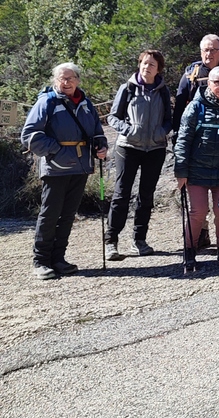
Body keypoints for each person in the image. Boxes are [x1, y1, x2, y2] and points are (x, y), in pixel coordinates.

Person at [21, 62, 108, 280]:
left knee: (68, 214)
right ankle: (41, 261)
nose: (66, 82)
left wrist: (101, 145)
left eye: (70, 78)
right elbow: (30, 135)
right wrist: (57, 150)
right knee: (50, 214)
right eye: (62, 78)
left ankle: (58, 259)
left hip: (80, 167)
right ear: (55, 80)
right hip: (56, 168)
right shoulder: (47, 102)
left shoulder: (86, 103)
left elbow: (96, 131)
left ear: (78, 80)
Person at [174, 65, 219, 271]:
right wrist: (181, 171)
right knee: (198, 212)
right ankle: (189, 250)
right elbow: (183, 140)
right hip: (196, 171)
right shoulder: (195, 107)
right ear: (209, 83)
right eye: (217, 83)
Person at [104, 49, 173, 259]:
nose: (147, 67)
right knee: (121, 194)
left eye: (152, 64)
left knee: (146, 196)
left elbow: (169, 119)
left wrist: (162, 131)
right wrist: (128, 130)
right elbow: (112, 117)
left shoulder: (163, 91)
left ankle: (139, 240)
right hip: (128, 147)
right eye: (144, 63)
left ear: (158, 69)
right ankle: (111, 241)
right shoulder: (127, 88)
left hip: (155, 148)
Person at [172, 34, 219, 132]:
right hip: (196, 130)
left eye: (213, 50)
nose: (208, 53)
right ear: (201, 52)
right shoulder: (191, 75)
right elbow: (179, 106)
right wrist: (176, 131)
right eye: (206, 50)